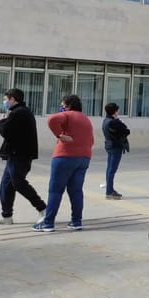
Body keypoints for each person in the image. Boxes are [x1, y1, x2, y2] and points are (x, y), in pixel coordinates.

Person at [33, 94, 94, 232]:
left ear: (68, 105)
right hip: (84, 158)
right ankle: (76, 221)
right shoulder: (86, 119)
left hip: (64, 157)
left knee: (55, 190)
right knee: (76, 191)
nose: (61, 107)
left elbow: (52, 119)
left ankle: (48, 223)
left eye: (63, 105)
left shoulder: (67, 115)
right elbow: (91, 140)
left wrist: (59, 135)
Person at [0, 88, 47, 225]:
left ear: (12, 99)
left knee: (19, 183)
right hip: (14, 154)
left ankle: (43, 209)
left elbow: (6, 131)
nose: (4, 102)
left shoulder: (19, 113)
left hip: (20, 155)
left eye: (6, 99)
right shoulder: (19, 112)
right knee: (6, 185)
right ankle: (7, 216)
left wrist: (1, 121)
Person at [102, 102, 130, 200]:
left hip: (109, 146)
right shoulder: (114, 122)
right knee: (112, 170)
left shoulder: (106, 120)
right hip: (115, 147)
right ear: (115, 111)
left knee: (109, 168)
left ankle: (109, 189)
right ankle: (109, 191)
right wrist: (118, 120)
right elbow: (126, 131)